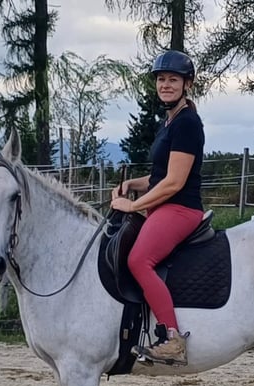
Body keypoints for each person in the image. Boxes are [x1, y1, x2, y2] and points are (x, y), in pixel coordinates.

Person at [110, 50, 205, 366]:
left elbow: (174, 182)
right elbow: (159, 175)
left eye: (173, 79)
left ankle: (171, 339)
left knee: (139, 260)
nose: (165, 84)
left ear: (186, 84)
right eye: (161, 79)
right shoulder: (170, 122)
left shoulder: (188, 123)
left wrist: (133, 205)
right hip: (165, 204)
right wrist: (132, 185)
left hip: (180, 208)